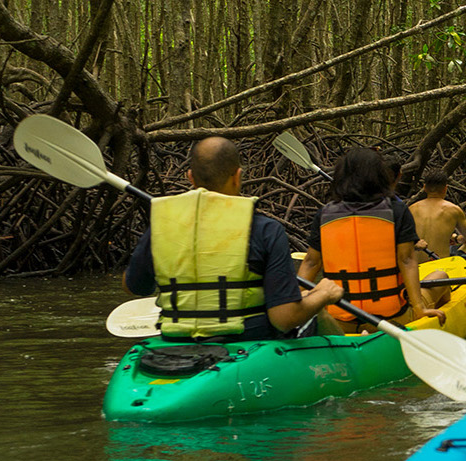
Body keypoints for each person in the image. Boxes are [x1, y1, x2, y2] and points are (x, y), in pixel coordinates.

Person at [124, 137, 345, 342]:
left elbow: (136, 286)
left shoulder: (163, 226)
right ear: (238, 176)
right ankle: (352, 349)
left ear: (190, 177)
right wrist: (323, 294)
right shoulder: (265, 230)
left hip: (175, 341)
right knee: (317, 313)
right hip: (247, 342)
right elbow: (284, 318)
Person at [300, 147, 448, 334]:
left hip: (341, 321)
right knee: (441, 277)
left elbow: (311, 262)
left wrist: (296, 307)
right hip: (392, 318)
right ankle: (440, 326)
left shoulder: (324, 214)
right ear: (380, 176)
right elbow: (407, 260)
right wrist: (419, 308)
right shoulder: (397, 211)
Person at [408, 170, 466, 261]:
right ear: (445, 188)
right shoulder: (454, 209)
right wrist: (456, 238)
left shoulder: (411, 208)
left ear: (424, 188)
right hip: (439, 266)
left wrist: (453, 238)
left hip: (414, 266)